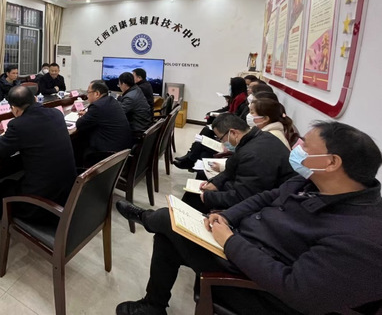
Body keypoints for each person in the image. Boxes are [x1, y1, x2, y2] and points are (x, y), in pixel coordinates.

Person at [114, 121, 382, 315]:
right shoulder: (311, 183)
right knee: (170, 228)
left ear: (331, 162)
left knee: (166, 220)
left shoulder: (360, 235)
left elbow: (296, 290)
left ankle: (146, 224)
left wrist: (230, 241)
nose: (297, 149)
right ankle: (153, 304)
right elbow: (266, 197)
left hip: (255, 285)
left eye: (305, 146)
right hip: (240, 243)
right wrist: (227, 217)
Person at [0, 85, 77, 220]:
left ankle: (1, 210)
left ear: (15, 109)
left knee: (6, 186)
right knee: (11, 184)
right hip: (69, 192)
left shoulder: (19, 125)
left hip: (43, 202)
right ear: (35, 99)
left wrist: (2, 136)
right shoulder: (56, 114)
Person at [186, 113, 295, 212]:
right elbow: (231, 169)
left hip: (274, 204)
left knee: (197, 198)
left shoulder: (253, 154)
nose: (223, 143)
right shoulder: (256, 138)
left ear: (233, 133)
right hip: (255, 190)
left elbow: (243, 197)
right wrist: (215, 183)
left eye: (222, 139)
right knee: (200, 191)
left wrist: (209, 197)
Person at [173, 77, 248, 169]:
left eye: (230, 85)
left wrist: (220, 116)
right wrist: (213, 112)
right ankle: (190, 157)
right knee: (206, 132)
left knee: (205, 134)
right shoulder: (236, 98)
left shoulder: (241, 100)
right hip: (228, 124)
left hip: (230, 131)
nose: (229, 87)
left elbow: (235, 117)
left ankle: (190, 159)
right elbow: (228, 110)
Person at [74, 80, 132, 166]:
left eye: (88, 92)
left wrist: (86, 115)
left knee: (77, 143)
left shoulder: (97, 106)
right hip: (122, 149)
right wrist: (88, 114)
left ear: (97, 94)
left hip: (109, 154)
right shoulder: (111, 100)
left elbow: (79, 124)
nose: (87, 95)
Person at [117, 72, 152, 138]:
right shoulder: (137, 89)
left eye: (119, 84)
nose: (119, 87)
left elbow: (119, 113)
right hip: (144, 124)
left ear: (123, 84)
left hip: (137, 130)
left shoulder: (130, 97)